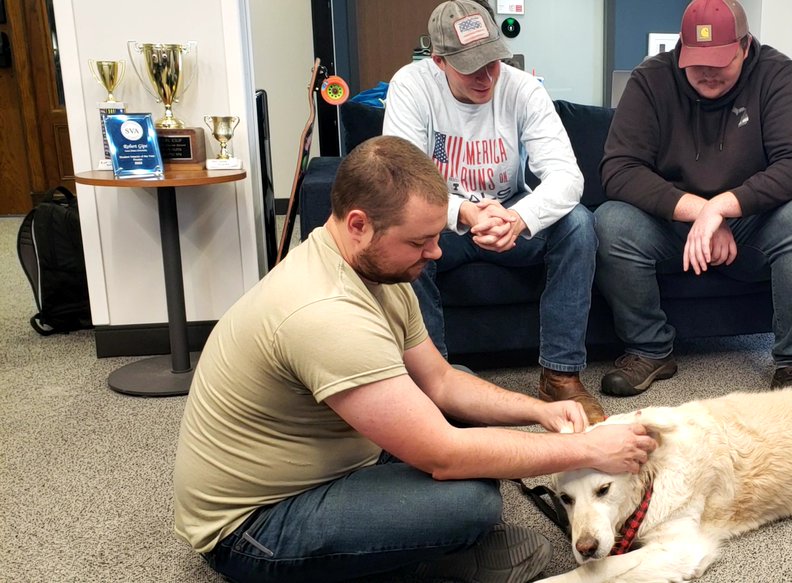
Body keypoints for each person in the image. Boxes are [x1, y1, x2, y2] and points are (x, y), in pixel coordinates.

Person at [173, 136, 657, 583]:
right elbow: (443, 457)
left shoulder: (378, 273)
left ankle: (402, 546)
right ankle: (414, 563)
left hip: (336, 461)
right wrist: (590, 451)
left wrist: (539, 410)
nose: (436, 251)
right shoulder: (323, 311)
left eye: (435, 235)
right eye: (418, 241)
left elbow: (442, 382)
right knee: (469, 502)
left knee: (463, 404)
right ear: (359, 224)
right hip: (256, 529)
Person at [596, 0, 792, 408]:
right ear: (681, 49)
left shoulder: (777, 73)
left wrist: (725, 207)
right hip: (674, 226)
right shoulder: (651, 79)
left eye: (720, 60)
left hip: (755, 224)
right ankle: (650, 350)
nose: (707, 72)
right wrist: (700, 210)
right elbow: (618, 170)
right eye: (696, 61)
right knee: (610, 223)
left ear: (745, 46)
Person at [382, 0, 605, 424]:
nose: (486, 77)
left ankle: (560, 374)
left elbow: (567, 177)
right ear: (440, 59)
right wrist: (464, 212)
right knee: (400, 235)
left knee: (578, 224)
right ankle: (433, 386)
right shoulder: (411, 86)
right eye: (471, 66)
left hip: (510, 217)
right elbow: (402, 180)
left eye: (493, 62)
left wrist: (519, 219)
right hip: (442, 223)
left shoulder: (523, 88)